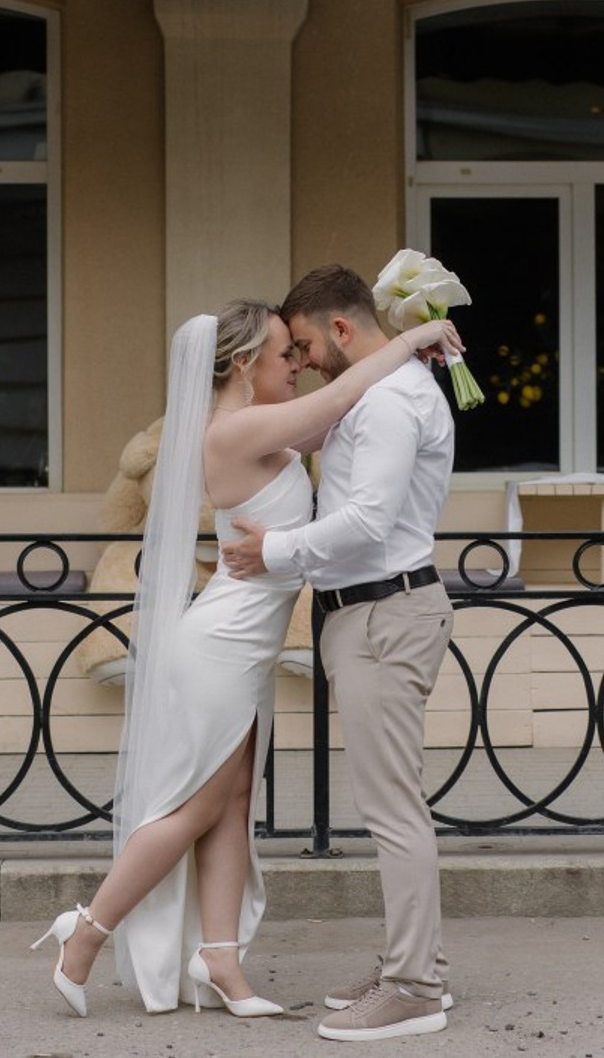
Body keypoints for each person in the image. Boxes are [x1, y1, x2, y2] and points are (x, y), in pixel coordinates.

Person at [31, 299, 460, 1019]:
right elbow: (346, 392)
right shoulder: (238, 429)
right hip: (222, 645)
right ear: (240, 363)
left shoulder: (262, 427)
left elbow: (348, 407)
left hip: (244, 646)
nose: (295, 362)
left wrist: (406, 361)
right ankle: (87, 931)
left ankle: (223, 966)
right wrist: (414, 336)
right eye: (282, 352)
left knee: (233, 804)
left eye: (298, 351)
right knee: (196, 806)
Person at [221, 265, 457, 1043]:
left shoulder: (391, 400)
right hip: (371, 612)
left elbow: (366, 519)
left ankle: (415, 987)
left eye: (309, 343)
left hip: (385, 613)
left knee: (392, 808)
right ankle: (408, 962)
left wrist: (276, 550)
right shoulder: (380, 387)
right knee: (391, 801)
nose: (307, 359)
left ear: (344, 330)